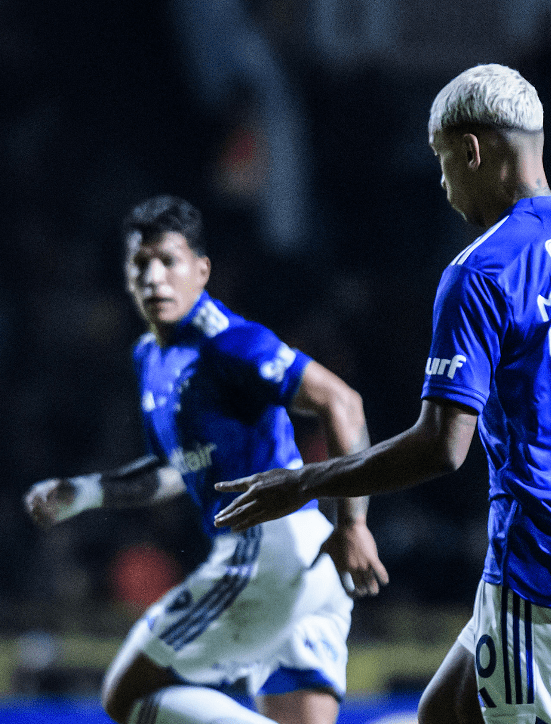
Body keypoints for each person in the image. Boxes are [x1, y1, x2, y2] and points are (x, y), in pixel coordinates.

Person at [211, 64, 551, 724]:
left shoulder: (483, 271)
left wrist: (306, 484)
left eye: (441, 161)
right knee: (444, 715)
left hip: (544, 571)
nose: (442, 182)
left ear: (471, 151)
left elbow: (441, 448)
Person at [24, 195, 389, 724]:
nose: (153, 276)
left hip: (269, 550)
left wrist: (353, 521)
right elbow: (174, 469)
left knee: (126, 696)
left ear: (201, 269)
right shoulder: (150, 357)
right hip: (308, 565)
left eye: (167, 261)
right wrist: (83, 493)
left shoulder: (230, 343)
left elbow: (342, 402)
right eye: (139, 264)